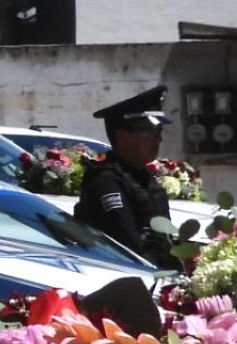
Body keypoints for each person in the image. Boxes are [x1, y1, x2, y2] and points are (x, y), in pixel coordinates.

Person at [74, 86, 177, 267]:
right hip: (133, 275)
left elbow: (163, 239)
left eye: (159, 131)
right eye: (151, 132)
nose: (158, 139)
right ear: (122, 136)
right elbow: (128, 244)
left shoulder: (142, 176)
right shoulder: (107, 181)